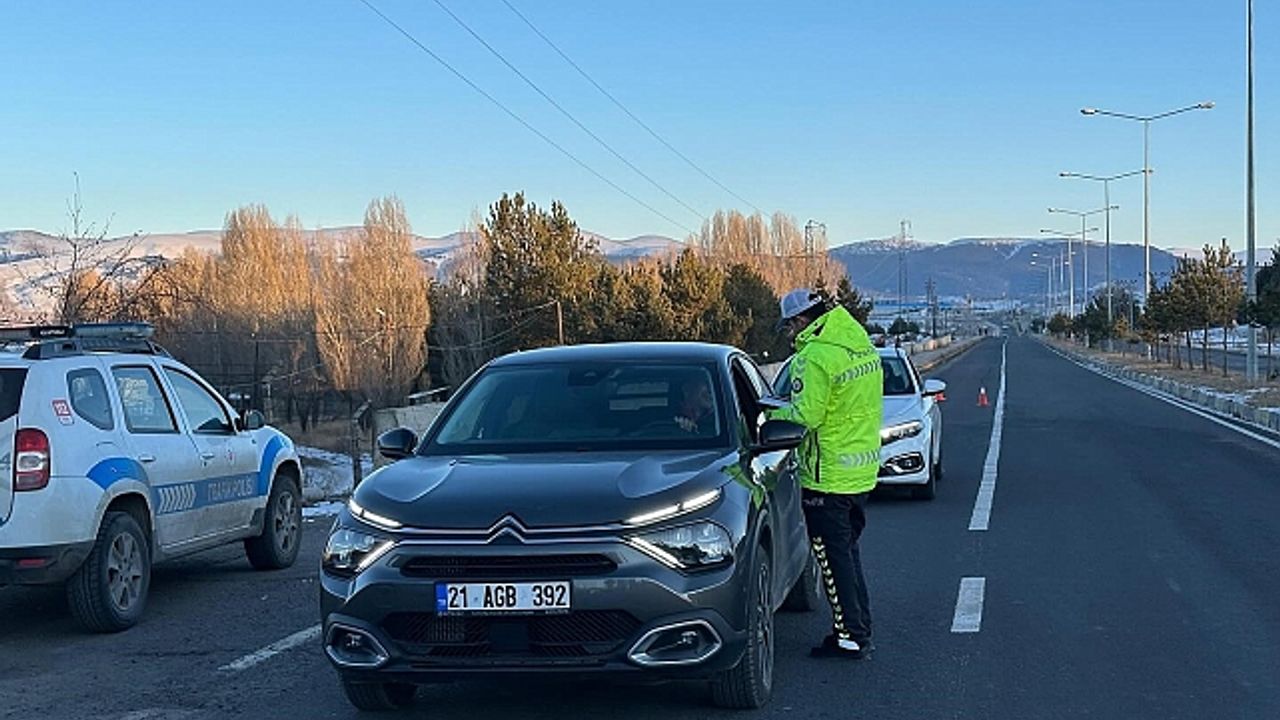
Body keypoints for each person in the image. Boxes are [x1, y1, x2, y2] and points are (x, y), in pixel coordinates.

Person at [771, 288, 883, 659]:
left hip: (827, 475)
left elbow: (806, 416)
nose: (789, 334)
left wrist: (767, 416)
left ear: (801, 320)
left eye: (789, 326)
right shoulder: (856, 342)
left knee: (833, 560)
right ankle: (859, 625)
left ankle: (850, 635)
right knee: (848, 553)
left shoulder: (814, 357)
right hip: (860, 472)